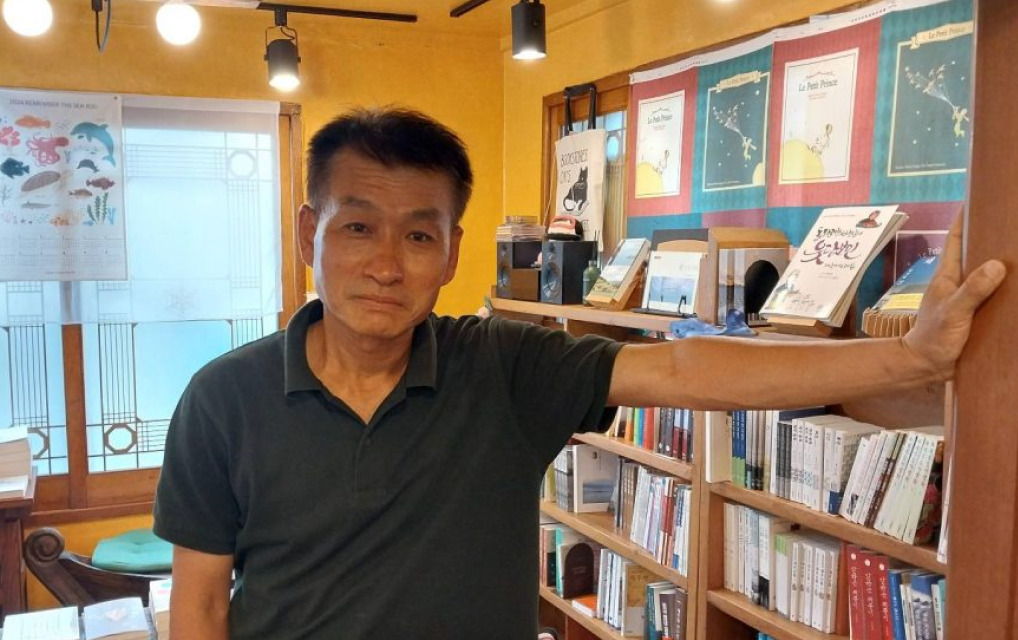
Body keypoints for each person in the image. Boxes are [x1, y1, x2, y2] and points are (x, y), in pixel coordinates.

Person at [152, 107, 1005, 640]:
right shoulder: (223, 400)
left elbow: (686, 367)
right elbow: (199, 607)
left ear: (451, 252)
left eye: (417, 235)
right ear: (310, 233)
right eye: (357, 227)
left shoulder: (505, 367)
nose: (385, 264)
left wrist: (912, 355)